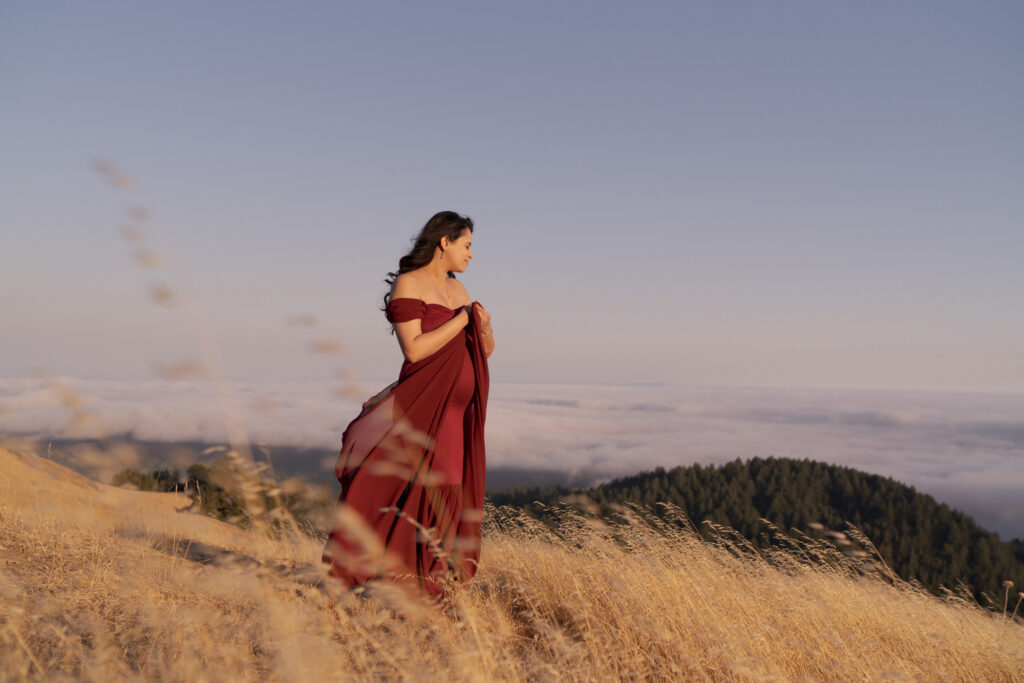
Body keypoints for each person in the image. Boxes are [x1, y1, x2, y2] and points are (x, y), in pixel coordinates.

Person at [322, 211, 494, 604]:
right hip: (423, 403)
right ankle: (401, 579)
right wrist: (461, 320)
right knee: (414, 484)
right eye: (467, 245)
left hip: (457, 409)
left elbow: (484, 352)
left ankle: (433, 579)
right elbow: (415, 350)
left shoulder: (461, 290)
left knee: (449, 485)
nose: (471, 255)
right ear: (444, 242)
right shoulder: (409, 284)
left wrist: (482, 328)